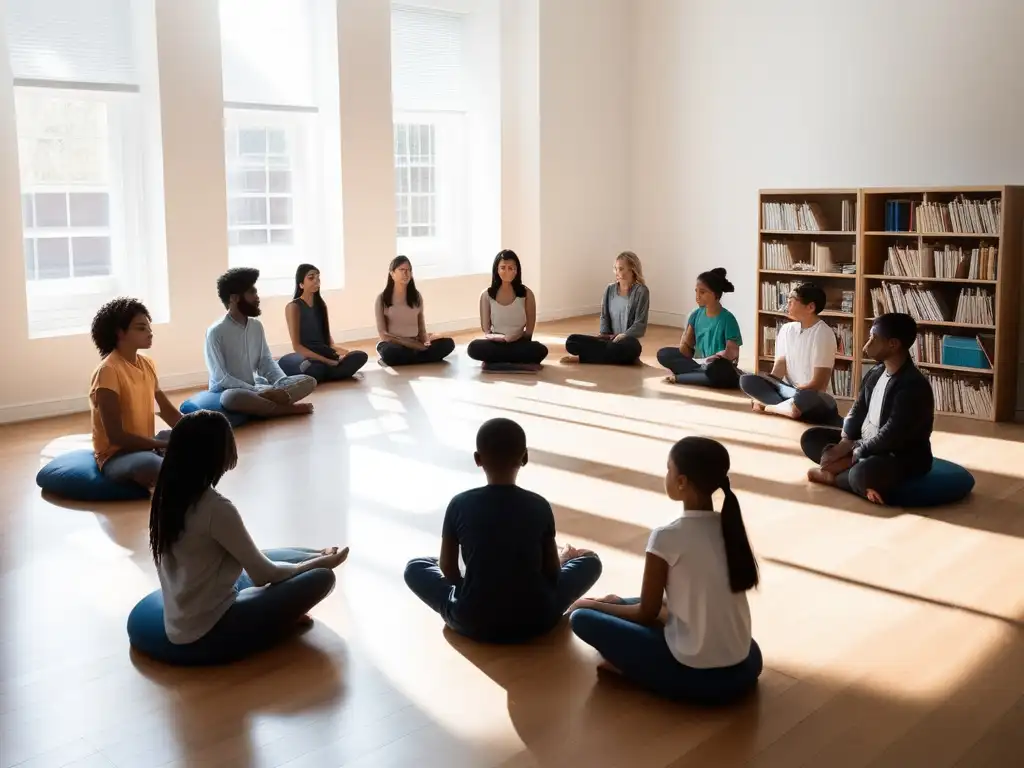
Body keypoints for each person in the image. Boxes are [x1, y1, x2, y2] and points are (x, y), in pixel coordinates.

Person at [126, 410, 349, 666]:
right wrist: (320, 564)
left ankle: (304, 575)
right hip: (207, 624)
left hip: (184, 608)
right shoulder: (216, 508)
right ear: (219, 454)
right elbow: (265, 575)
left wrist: (313, 556)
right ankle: (281, 618)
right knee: (321, 577)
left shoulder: (167, 494)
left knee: (293, 553)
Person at [569, 437, 763, 705]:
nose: (666, 475)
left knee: (581, 617)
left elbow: (645, 614)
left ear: (681, 481)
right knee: (633, 603)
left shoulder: (666, 537)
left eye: (668, 469)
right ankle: (615, 608)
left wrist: (588, 603)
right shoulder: (728, 526)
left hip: (695, 673)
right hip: (746, 661)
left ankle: (630, 668)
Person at [404, 417, 603, 643]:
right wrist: (562, 559)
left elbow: (448, 570)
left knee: (416, 567)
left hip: (471, 619)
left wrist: (471, 587)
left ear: (478, 459)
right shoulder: (539, 505)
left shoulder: (459, 503)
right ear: (525, 457)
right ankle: (565, 559)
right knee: (591, 561)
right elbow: (552, 574)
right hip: (538, 619)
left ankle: (473, 588)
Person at [801, 312, 934, 504]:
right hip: (862, 444)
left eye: (874, 338)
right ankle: (849, 475)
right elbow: (858, 409)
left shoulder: (912, 385)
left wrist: (857, 453)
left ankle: (839, 477)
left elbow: (892, 435)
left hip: (897, 455)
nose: (866, 345)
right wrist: (845, 442)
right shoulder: (875, 372)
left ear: (893, 344)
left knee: (863, 474)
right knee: (811, 438)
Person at [89, 298, 181, 490]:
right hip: (117, 455)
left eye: (149, 327)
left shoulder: (147, 364)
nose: (150, 333)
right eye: (141, 328)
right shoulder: (108, 371)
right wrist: (159, 445)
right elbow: (116, 436)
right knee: (151, 465)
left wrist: (197, 431)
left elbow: (165, 410)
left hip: (146, 446)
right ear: (120, 333)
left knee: (191, 440)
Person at [205, 267, 317, 417]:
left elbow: (265, 361)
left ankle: (266, 404)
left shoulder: (256, 326)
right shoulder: (216, 332)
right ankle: (285, 409)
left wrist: (281, 383)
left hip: (256, 386)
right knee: (230, 398)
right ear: (234, 298)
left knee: (309, 381)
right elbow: (221, 378)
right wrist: (256, 390)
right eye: (252, 293)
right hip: (230, 390)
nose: (257, 297)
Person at [739, 282, 841, 425]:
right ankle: (789, 409)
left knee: (805, 398)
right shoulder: (786, 329)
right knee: (746, 380)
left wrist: (796, 393)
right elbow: (780, 367)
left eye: (791, 302)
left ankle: (771, 407)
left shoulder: (824, 333)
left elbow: (819, 384)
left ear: (810, 307)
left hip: (811, 395)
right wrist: (770, 382)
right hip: (787, 392)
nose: (787, 306)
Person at [278, 263, 369, 383]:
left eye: (318, 277)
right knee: (311, 367)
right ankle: (333, 371)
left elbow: (329, 343)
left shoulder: (321, 306)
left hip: (324, 353)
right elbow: (297, 347)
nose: (316, 281)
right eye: (311, 278)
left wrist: (345, 353)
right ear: (301, 284)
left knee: (360, 356)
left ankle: (329, 372)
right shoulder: (293, 307)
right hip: (307, 357)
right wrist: (327, 361)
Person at [657, 268, 743, 388]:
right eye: (696, 291)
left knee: (719, 370)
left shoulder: (728, 319)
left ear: (716, 294)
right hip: (698, 363)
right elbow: (686, 350)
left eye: (702, 292)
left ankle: (687, 377)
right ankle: (701, 376)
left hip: (717, 365)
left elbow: (733, 353)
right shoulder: (695, 315)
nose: (697, 296)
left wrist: (715, 358)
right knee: (663, 354)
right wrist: (685, 341)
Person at [562, 251, 650, 366]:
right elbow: (604, 316)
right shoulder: (610, 289)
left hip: (627, 340)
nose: (617, 272)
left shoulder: (642, 291)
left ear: (632, 269)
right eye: (616, 269)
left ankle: (582, 358)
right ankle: (619, 357)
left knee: (631, 348)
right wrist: (603, 336)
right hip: (609, 339)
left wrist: (623, 335)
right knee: (572, 340)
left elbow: (640, 323)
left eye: (621, 269)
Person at [466, 250, 549, 371]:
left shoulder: (526, 294)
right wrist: (499, 338)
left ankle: (497, 362)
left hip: (518, 342)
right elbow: (486, 328)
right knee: (473, 348)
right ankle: (514, 362)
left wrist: (517, 337)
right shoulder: (486, 295)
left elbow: (529, 329)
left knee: (540, 350)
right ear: (497, 269)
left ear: (517, 270)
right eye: (503, 268)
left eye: (511, 268)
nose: (507, 272)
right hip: (496, 342)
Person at [374, 256, 456, 367]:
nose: (406, 273)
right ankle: (419, 357)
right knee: (390, 352)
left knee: (448, 343)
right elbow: (383, 334)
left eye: (409, 270)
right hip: (395, 344)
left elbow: (421, 329)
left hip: (416, 343)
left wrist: (426, 341)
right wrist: (411, 344)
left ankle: (411, 357)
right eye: (402, 270)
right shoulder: (382, 299)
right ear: (392, 274)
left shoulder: (416, 297)